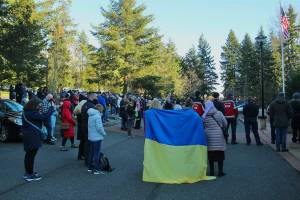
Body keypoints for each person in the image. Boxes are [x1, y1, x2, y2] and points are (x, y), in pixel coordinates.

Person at [22, 98, 54, 181]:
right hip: (32, 136)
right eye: (39, 105)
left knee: (29, 155)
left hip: (30, 136)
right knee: (30, 155)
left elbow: (42, 117)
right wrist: (51, 108)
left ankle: (28, 172)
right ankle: (30, 174)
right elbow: (44, 117)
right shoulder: (31, 113)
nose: (40, 106)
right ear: (33, 104)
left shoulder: (29, 112)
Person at [202, 100, 227, 177]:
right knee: (220, 154)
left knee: (211, 155)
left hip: (208, 136)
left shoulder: (204, 115)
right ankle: (220, 172)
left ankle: (212, 172)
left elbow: (202, 126)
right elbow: (225, 123)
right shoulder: (219, 113)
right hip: (219, 135)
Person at [87, 104, 106, 174]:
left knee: (91, 153)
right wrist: (104, 133)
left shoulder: (90, 115)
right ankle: (96, 169)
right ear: (100, 109)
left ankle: (90, 167)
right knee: (96, 154)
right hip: (97, 137)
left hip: (91, 137)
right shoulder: (97, 116)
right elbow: (99, 128)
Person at [81, 93, 98, 166]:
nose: (97, 98)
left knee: (86, 144)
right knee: (90, 145)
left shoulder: (84, 104)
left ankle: (86, 159)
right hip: (89, 127)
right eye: (96, 96)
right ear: (92, 97)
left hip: (84, 126)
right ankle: (88, 161)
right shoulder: (92, 106)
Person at [74, 94, 87, 160]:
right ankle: (82, 155)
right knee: (83, 143)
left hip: (80, 128)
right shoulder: (81, 112)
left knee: (82, 142)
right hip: (83, 128)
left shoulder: (78, 110)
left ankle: (81, 155)